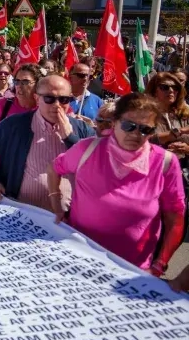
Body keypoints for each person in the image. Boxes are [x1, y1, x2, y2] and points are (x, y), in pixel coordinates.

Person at [48, 93, 185, 275]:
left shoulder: (165, 162)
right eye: (129, 126)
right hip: (78, 260)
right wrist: (57, 206)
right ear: (114, 123)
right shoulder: (87, 149)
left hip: (131, 271)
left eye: (145, 129)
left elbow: (175, 218)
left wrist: (160, 264)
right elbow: (54, 169)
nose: (136, 134)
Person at [0, 75, 96, 210]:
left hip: (68, 217)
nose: (57, 105)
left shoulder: (81, 129)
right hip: (21, 212)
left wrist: (70, 138)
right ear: (37, 99)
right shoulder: (16, 124)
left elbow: (97, 164)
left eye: (63, 99)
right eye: (49, 98)